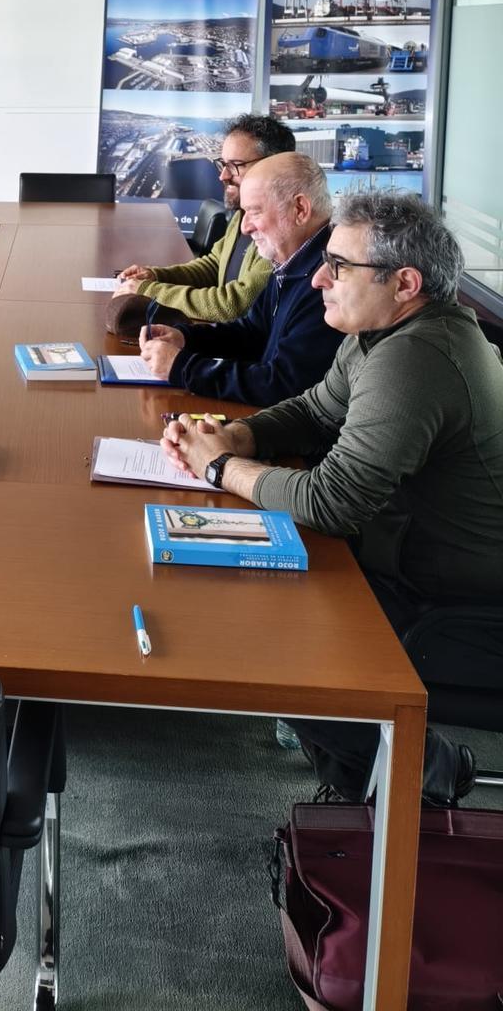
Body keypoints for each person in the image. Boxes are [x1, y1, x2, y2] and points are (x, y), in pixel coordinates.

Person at [161, 191, 503, 804]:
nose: (319, 276)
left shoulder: (418, 359)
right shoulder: (383, 332)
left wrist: (222, 468)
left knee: (266, 633)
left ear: (405, 282)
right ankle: (360, 787)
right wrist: (243, 433)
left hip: (457, 606)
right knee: (251, 593)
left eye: (339, 266)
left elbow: (333, 501)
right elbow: (318, 410)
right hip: (406, 565)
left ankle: (421, 776)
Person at [138, 152, 339, 407]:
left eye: (254, 212)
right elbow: (252, 333)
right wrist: (185, 338)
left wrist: (182, 367)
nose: (245, 227)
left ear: (300, 209)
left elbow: (284, 385)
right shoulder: (291, 262)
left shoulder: (328, 283)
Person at [114, 113, 295, 324]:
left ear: (272, 165)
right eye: (222, 164)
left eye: (235, 165)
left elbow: (236, 303)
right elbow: (214, 266)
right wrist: (155, 276)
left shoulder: (283, 230)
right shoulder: (242, 214)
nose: (223, 176)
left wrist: (149, 291)